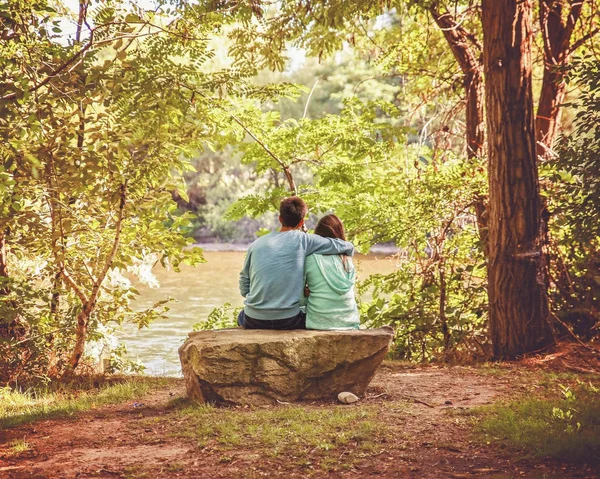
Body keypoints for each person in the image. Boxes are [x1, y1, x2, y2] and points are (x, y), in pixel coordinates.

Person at [238, 197, 354, 330]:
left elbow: (244, 285)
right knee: (308, 314)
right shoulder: (304, 240)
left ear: (280, 218)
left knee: (241, 316)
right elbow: (345, 246)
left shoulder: (256, 245)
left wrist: (258, 300)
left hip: (254, 320)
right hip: (288, 321)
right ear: (302, 222)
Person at [301, 214, 360, 330]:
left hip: (318, 323)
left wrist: (308, 294)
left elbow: (300, 300)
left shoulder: (310, 259)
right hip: (349, 322)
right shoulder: (347, 260)